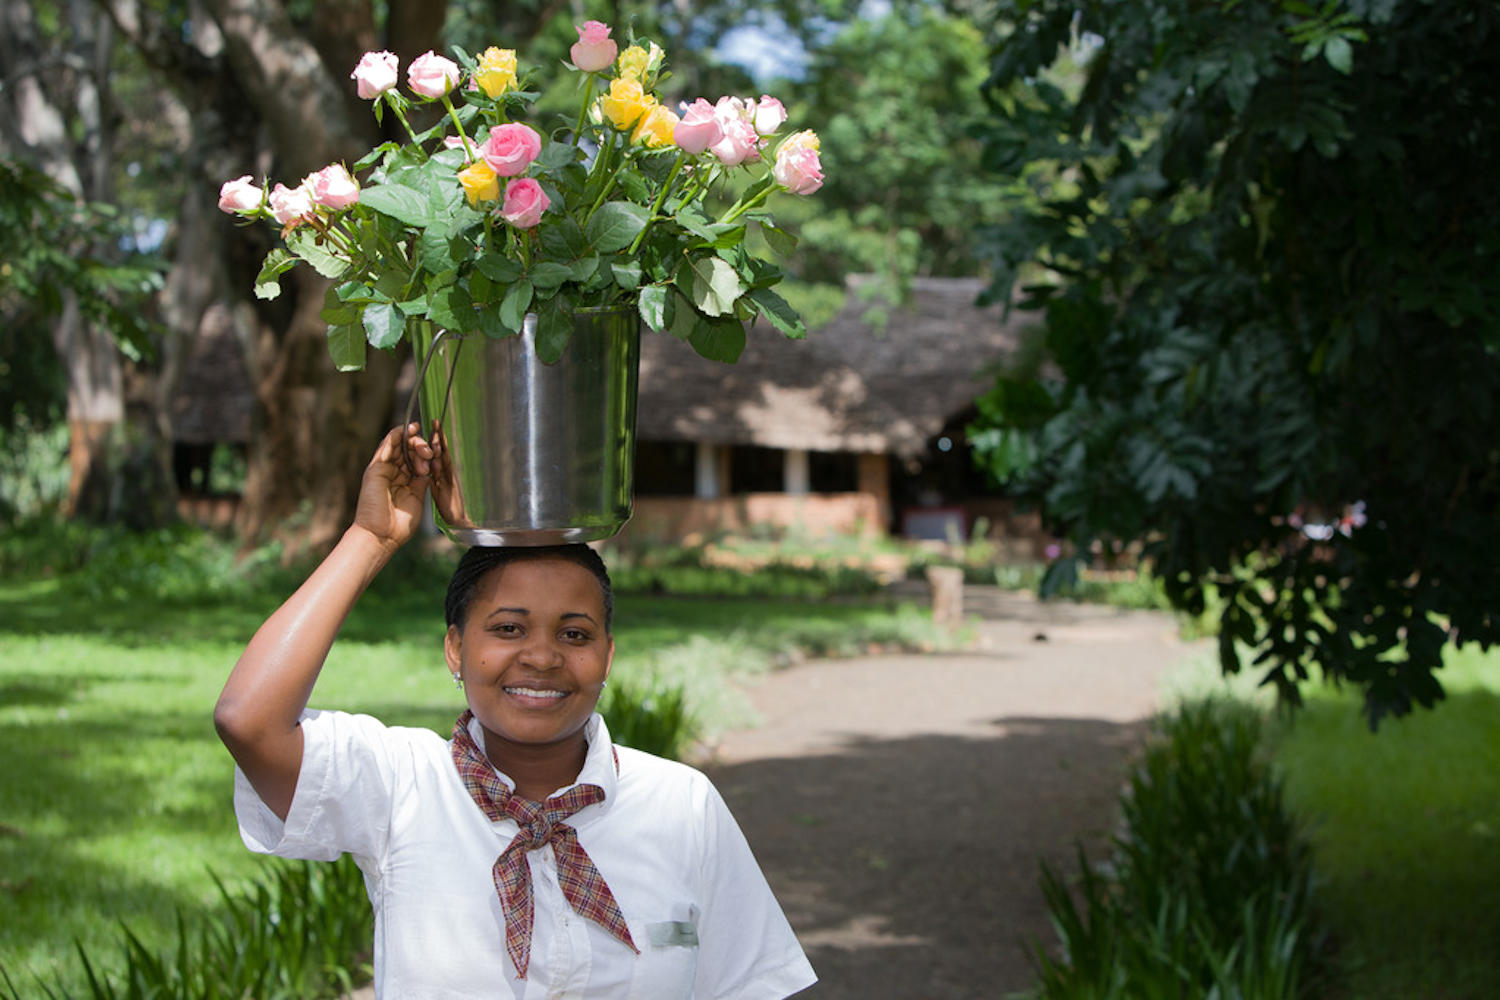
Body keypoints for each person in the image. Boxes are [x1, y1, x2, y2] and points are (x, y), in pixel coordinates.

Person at [215, 424, 817, 999]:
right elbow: (249, 720)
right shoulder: (402, 784)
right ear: (456, 648)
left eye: (575, 635)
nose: (542, 656)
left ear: (607, 657)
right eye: (507, 628)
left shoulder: (681, 804)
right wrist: (371, 539)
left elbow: (750, 986)